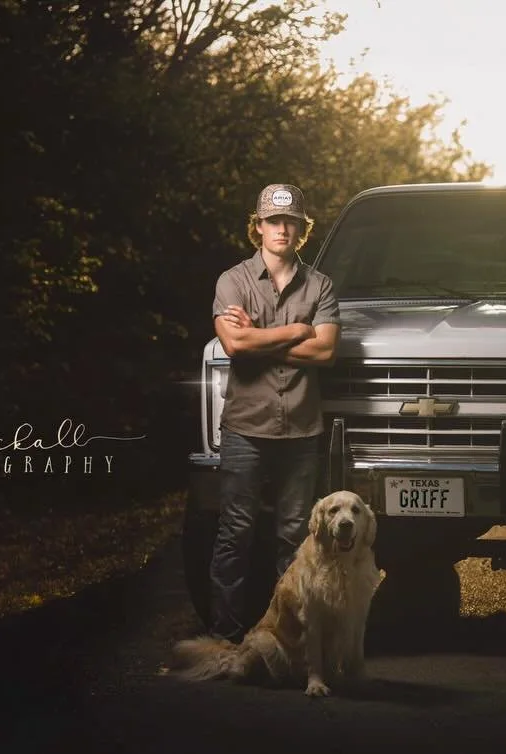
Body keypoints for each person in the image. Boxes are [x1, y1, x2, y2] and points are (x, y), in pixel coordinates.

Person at [208, 183, 341, 642]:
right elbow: (234, 344)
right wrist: (299, 329)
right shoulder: (233, 281)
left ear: (301, 230)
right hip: (246, 427)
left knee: (295, 538)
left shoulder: (320, 285)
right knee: (236, 533)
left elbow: (325, 354)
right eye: (272, 221)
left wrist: (263, 338)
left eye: (291, 222)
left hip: (302, 429)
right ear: (258, 227)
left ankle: (291, 637)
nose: (281, 229)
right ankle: (225, 635)